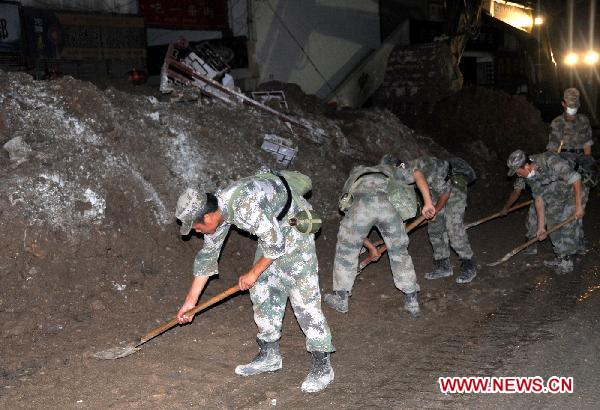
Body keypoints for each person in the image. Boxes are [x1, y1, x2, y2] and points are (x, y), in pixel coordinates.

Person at [174, 169, 335, 393]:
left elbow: (276, 243)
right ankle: (269, 354)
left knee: (302, 295)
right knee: (262, 290)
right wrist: (190, 303)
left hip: (293, 226)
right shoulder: (218, 209)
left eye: (197, 227)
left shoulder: (244, 205)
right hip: (271, 230)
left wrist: (252, 273)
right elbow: (207, 257)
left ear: (208, 217)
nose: (197, 232)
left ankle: (322, 363)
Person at [323, 154, 436, 315]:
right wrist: (428, 204)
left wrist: (369, 247)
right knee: (399, 252)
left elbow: (353, 225)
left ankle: (341, 298)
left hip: (360, 205)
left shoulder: (357, 174)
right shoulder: (393, 170)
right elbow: (417, 173)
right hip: (388, 205)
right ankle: (412, 300)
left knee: (347, 249)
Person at [505, 150, 585, 274]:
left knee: (567, 226)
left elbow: (576, 179)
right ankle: (561, 257)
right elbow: (539, 199)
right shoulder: (528, 176)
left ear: (526, 166)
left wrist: (579, 207)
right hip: (555, 195)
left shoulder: (548, 160)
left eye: (517, 171)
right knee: (552, 225)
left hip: (573, 192)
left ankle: (568, 261)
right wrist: (541, 227)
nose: (518, 175)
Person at [547, 87, 595, 254]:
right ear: (563, 103)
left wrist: (587, 165)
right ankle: (567, 245)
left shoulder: (584, 121)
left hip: (582, 163)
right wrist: (557, 170)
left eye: (575, 105)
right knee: (566, 206)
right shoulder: (557, 123)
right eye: (570, 104)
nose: (573, 108)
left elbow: (587, 145)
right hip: (564, 165)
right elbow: (553, 150)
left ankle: (579, 241)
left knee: (580, 204)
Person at [413, 156, 477, 283]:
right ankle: (443, 265)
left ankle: (468, 264)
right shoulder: (404, 177)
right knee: (435, 227)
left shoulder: (419, 170)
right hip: (436, 189)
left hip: (454, 183)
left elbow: (445, 193)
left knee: (453, 225)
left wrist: (435, 209)